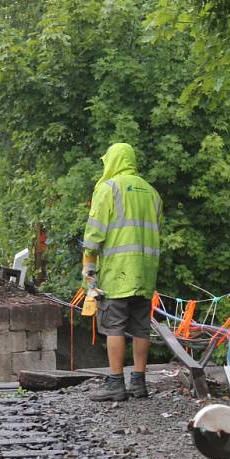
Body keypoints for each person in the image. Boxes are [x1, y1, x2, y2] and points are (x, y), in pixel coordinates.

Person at [82, 142, 162, 401]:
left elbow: (94, 235)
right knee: (141, 327)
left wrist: (89, 270)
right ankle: (139, 382)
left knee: (114, 326)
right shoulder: (152, 193)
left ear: (113, 161)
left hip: (117, 273)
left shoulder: (108, 189)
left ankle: (116, 383)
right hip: (145, 272)